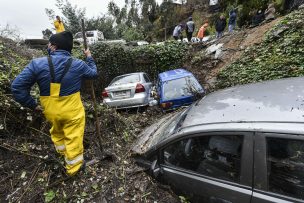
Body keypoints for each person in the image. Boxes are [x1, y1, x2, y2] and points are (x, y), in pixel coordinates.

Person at [11, 31, 98, 176]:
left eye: (49, 44)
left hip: (50, 112)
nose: (48, 46)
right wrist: (89, 57)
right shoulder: (78, 64)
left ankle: (62, 154)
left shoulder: (37, 64)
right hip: (72, 113)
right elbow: (94, 74)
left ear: (54, 46)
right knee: (73, 137)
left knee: (57, 132)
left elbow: (17, 87)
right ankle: (74, 169)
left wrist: (33, 105)